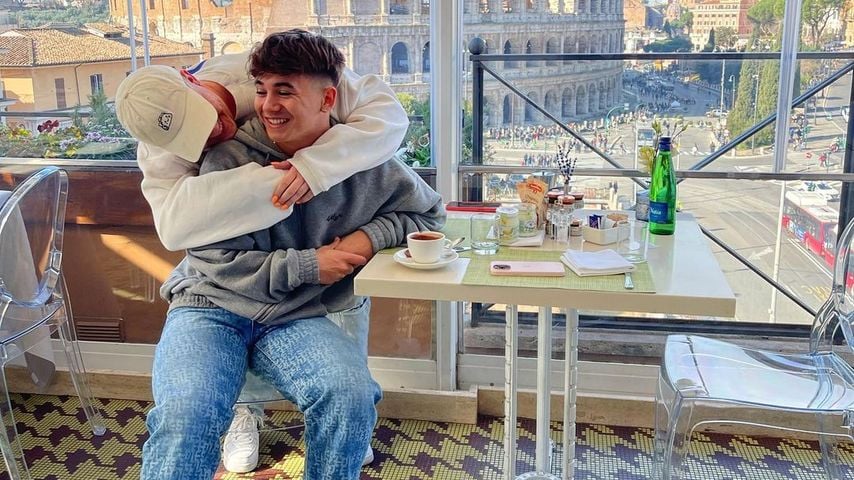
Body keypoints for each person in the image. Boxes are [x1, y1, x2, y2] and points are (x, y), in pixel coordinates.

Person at [137, 29, 445, 480]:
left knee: (350, 394)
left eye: (285, 91)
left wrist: (366, 239)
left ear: (328, 99)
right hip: (210, 306)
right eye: (262, 91)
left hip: (294, 314)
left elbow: (428, 214)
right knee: (186, 413)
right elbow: (211, 258)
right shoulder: (226, 156)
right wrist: (309, 266)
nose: (268, 105)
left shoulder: (366, 161)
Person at [119, 49, 409, 251]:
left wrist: (315, 167)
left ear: (190, 78)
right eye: (191, 138)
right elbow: (174, 228)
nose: (213, 132)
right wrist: (282, 182)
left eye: (202, 116)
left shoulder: (266, 70)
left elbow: (387, 115)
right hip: (223, 274)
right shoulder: (156, 149)